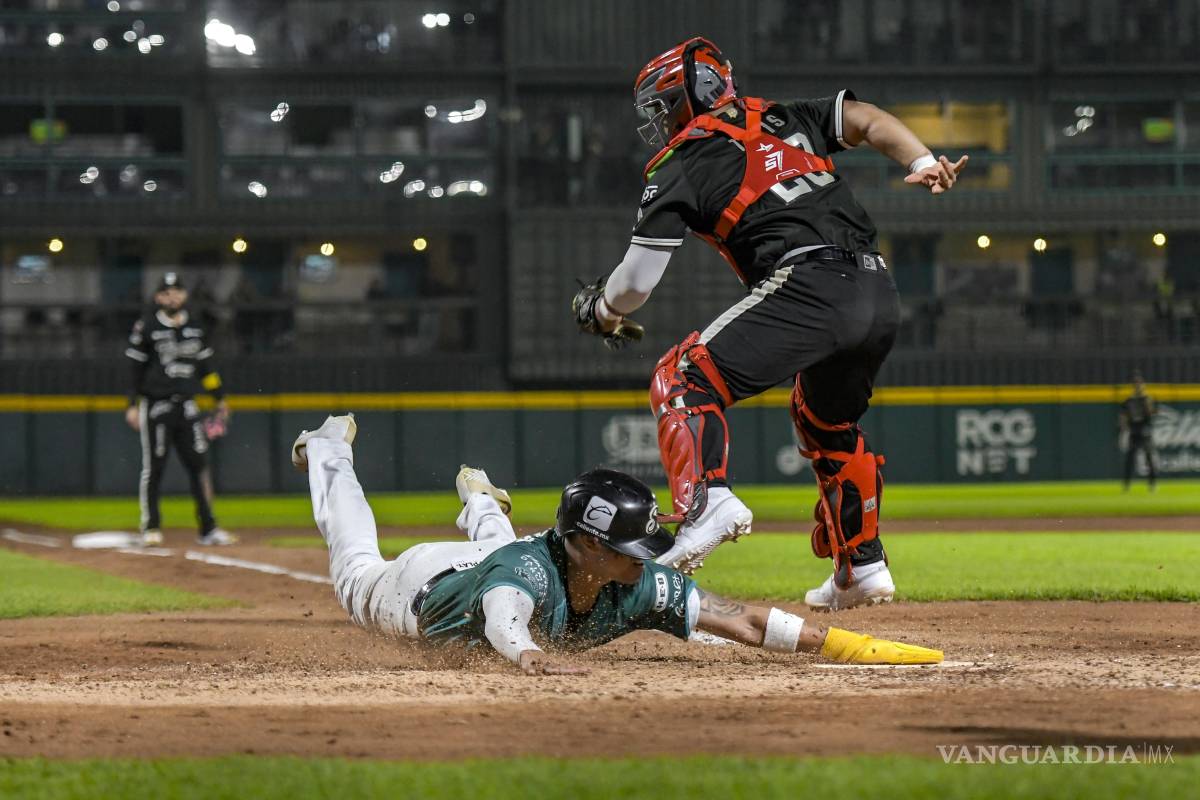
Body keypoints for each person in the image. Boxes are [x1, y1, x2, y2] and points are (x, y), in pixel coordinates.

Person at [571, 36, 968, 611]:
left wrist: (602, 309)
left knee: (681, 378)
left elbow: (636, 283)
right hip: (878, 289)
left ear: (690, 95)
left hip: (811, 283)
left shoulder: (682, 160)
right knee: (824, 421)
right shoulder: (784, 115)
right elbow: (867, 118)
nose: (660, 122)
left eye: (663, 106)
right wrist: (923, 161)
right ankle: (862, 567)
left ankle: (707, 502)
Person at [291, 413, 943, 674]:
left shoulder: (629, 581)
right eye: (628, 546)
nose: (644, 557)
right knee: (354, 564)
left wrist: (850, 646)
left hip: (498, 562)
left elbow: (740, 619)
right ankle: (327, 450)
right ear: (586, 546)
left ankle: (483, 504)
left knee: (506, 546)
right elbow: (505, 621)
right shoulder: (525, 579)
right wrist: (533, 661)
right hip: (417, 588)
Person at [124, 272, 236, 546]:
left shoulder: (195, 327)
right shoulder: (148, 326)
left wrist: (219, 398)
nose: (172, 296)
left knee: (198, 465)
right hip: (157, 406)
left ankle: (208, 529)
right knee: (155, 468)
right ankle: (151, 527)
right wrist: (132, 404)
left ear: (184, 296)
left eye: (176, 291)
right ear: (158, 297)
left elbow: (206, 369)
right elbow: (135, 370)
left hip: (186, 407)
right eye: (166, 292)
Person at [1119, 373, 1157, 491]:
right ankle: (1127, 484)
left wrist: (1146, 402)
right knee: (1130, 460)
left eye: (1139, 384)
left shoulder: (1147, 398)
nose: (1138, 386)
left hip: (1145, 432)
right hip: (1134, 432)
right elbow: (1123, 415)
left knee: (1149, 459)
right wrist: (1124, 427)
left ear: (1143, 385)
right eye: (1136, 384)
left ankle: (1152, 484)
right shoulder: (1129, 400)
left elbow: (1151, 413)